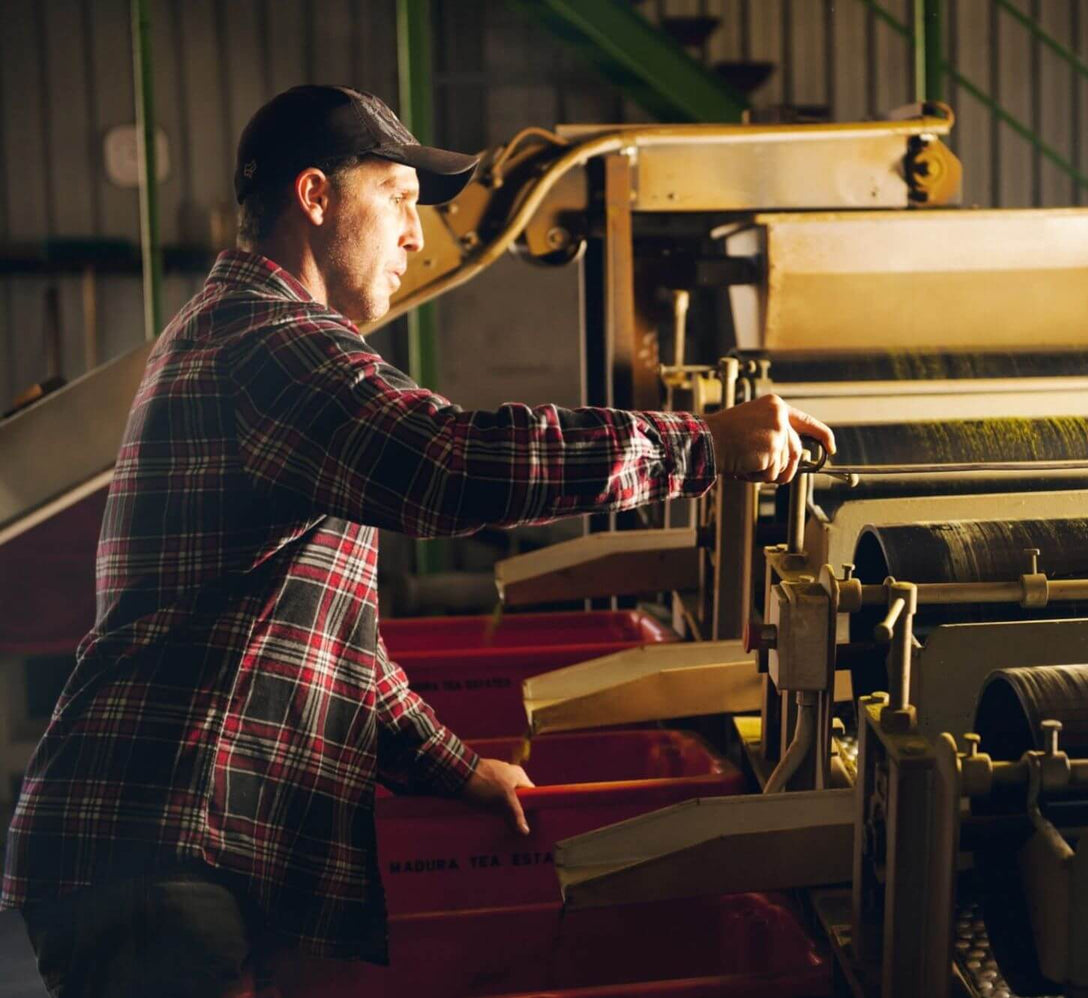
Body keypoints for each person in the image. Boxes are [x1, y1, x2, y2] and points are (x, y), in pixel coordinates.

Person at [1, 84, 835, 997]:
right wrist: (700, 445)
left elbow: (331, 652)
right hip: (160, 841)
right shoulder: (267, 342)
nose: (415, 235)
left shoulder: (257, 340)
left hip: (169, 839)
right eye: (398, 197)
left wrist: (457, 769)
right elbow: (449, 462)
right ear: (314, 197)